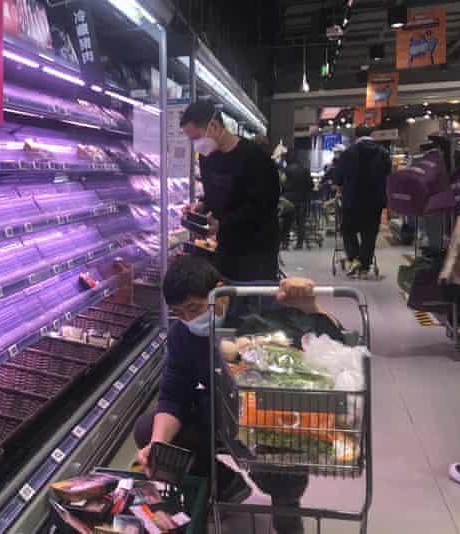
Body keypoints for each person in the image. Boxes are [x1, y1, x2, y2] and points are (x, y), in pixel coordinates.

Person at [135, 256, 336, 534]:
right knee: (149, 430)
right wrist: (158, 444)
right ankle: (225, 486)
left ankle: (286, 504)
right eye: (179, 313)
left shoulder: (265, 299)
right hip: (224, 408)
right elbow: (173, 396)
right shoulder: (182, 335)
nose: (188, 319)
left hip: (277, 412)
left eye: (194, 308)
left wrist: (309, 306)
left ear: (220, 292)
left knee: (277, 460)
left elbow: (335, 344)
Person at [181, 101, 281, 281]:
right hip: (226, 247)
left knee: (254, 304)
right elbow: (215, 196)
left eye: (196, 138)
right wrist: (201, 207)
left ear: (213, 126)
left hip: (258, 250)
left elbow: (264, 206)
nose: (195, 145)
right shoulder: (207, 158)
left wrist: (223, 224)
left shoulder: (256, 157)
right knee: (226, 300)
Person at [335, 125, 392, 277]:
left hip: (352, 201)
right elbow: (388, 174)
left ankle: (354, 258)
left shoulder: (348, 153)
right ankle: (364, 267)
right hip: (374, 202)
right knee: (369, 234)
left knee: (348, 230)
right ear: (371, 135)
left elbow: (338, 178)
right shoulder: (383, 153)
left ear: (356, 135)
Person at [283, 150, 313, 250]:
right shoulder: (304, 169)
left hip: (288, 200)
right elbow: (311, 185)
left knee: (286, 223)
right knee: (301, 222)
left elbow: (282, 184)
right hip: (302, 199)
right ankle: (299, 244)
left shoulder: (285, 170)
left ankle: (285, 243)